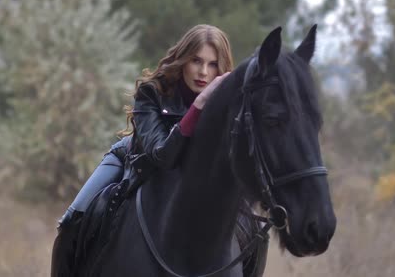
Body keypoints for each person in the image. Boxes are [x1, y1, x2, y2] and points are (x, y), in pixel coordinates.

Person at [54, 24, 266, 276]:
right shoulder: (152, 93)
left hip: (196, 180)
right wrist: (198, 107)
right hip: (135, 159)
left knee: (257, 232)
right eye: (196, 61)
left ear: (221, 69)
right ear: (183, 60)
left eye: (212, 64)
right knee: (72, 221)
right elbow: (162, 155)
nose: (203, 72)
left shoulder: (230, 104)